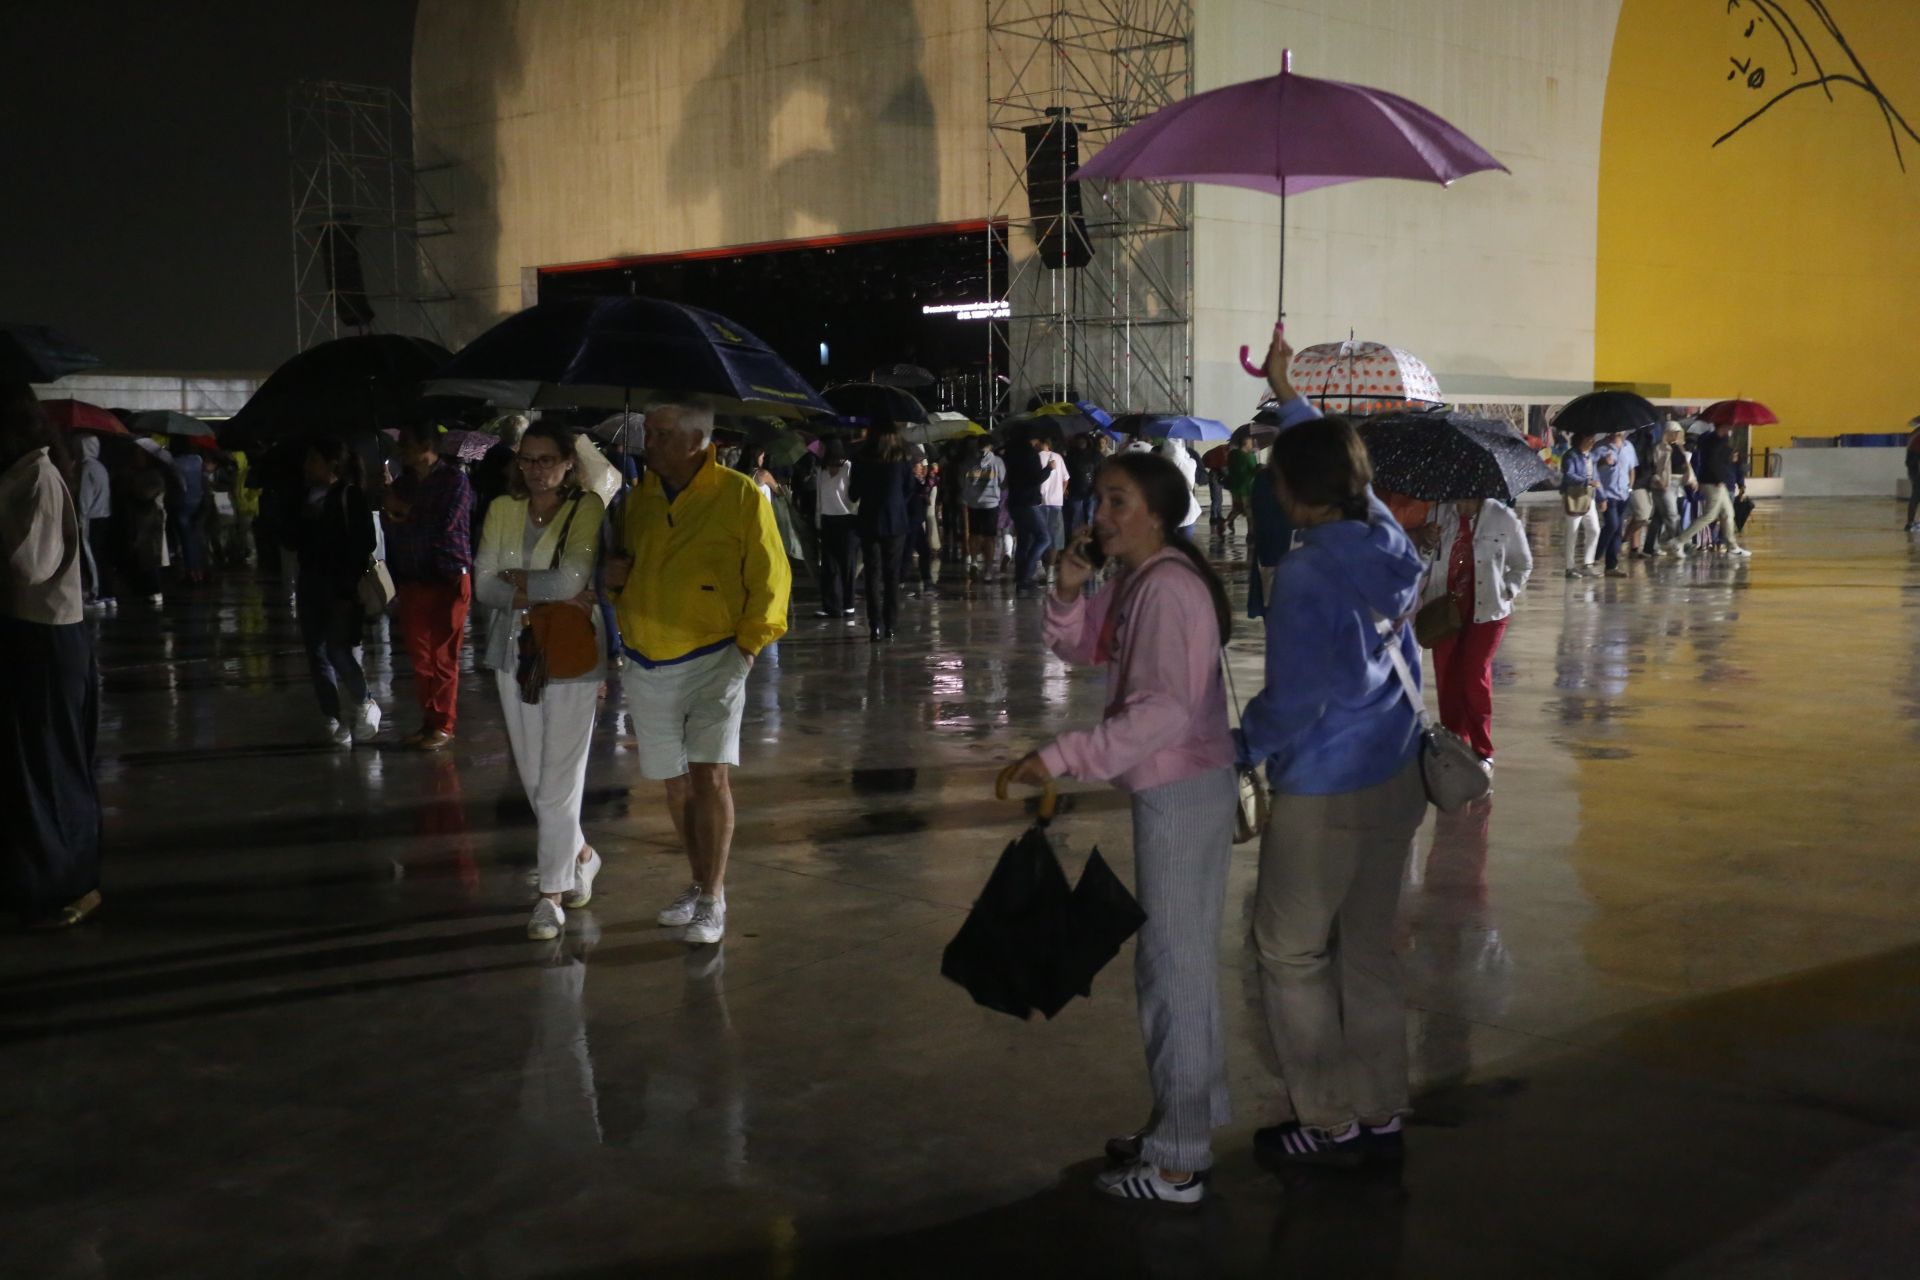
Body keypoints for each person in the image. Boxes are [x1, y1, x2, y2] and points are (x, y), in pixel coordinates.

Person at [1005, 450, 1237, 1205]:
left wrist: (1063, 755)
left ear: (1161, 513)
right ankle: (1184, 1121)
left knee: (1175, 971)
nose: (1099, 516)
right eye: (1098, 500)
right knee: (1175, 965)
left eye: (1117, 502)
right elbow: (1084, 645)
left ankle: (1178, 1161)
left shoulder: (1168, 588)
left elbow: (1162, 710)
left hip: (1180, 787)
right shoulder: (1142, 579)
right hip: (1173, 784)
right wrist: (1070, 593)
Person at [1237, 411, 1430, 1168]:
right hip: (1397, 771)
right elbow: (1362, 487)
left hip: (1326, 787)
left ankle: (1326, 1118)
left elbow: (1297, 695)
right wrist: (1293, 402)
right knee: (1369, 951)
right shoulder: (1386, 540)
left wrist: (1242, 746)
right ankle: (1380, 1108)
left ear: (1290, 489)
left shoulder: (1309, 568)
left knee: (1289, 953)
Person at [606, 402, 791, 947]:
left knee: (711, 777)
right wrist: (613, 579)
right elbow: (624, 576)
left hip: (716, 657)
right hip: (646, 659)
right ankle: (696, 881)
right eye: (649, 433)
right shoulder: (635, 500)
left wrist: (749, 648)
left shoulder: (738, 495)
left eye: (661, 435)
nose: (650, 443)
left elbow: (770, 577)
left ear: (694, 441)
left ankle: (713, 896)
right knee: (676, 785)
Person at [473, 422, 605, 940]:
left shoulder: (586, 507)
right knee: (534, 782)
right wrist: (543, 592)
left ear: (568, 461)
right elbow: (483, 584)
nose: (536, 470)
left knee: (558, 785)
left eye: (547, 460)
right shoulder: (502, 509)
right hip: (514, 653)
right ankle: (583, 855)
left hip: (571, 655)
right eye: (527, 460)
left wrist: (522, 584)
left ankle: (550, 896)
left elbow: (574, 577)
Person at [0, 385, 103, 930]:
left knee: (53, 765)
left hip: (47, 636)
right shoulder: (20, 475)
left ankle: (74, 880)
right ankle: (39, 876)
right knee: (31, 767)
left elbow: (30, 565)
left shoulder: (36, 476)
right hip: (27, 635)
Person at [1420, 498, 1533, 767]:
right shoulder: (1438, 514)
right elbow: (1425, 561)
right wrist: (1426, 542)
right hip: (1445, 612)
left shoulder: (1501, 516)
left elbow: (1523, 564)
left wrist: (1508, 590)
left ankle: (1484, 750)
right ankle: (1455, 741)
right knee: (1447, 676)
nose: (1463, 500)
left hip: (1489, 612)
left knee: (1474, 677)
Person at [384, 422, 475, 750]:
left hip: (448, 576)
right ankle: (429, 719)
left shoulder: (455, 480)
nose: (402, 450)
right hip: (413, 578)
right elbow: (395, 526)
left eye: (407, 442)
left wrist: (405, 512)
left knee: (444, 655)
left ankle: (444, 723)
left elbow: (445, 522)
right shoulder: (405, 483)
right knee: (420, 656)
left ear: (427, 446)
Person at [295, 435, 381, 747]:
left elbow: (365, 541)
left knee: (337, 649)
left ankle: (363, 701)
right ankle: (332, 716)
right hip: (311, 584)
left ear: (332, 464)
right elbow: (293, 541)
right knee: (317, 653)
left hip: (341, 585)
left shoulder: (348, 495)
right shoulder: (304, 497)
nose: (308, 466)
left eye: (314, 459)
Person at [850, 423, 917, 640]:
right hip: (895, 521)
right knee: (891, 574)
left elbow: (853, 493)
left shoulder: (862, 457)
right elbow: (909, 489)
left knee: (872, 574)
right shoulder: (903, 458)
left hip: (869, 519)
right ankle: (890, 624)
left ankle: (874, 626)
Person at [1668, 422, 1750, 556]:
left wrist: (1731, 458)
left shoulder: (1722, 440)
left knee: (1728, 514)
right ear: (1721, 426)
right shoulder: (1711, 441)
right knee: (1710, 515)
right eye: (1728, 425)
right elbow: (1711, 462)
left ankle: (1732, 546)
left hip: (1720, 482)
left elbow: (1722, 460)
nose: (1730, 428)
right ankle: (1679, 541)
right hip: (1712, 482)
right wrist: (1718, 478)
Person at [812, 434, 859, 621]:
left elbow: (855, 495)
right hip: (828, 520)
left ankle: (848, 604)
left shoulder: (848, 468)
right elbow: (819, 499)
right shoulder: (821, 471)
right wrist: (818, 520)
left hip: (847, 521)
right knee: (829, 566)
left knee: (847, 565)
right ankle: (831, 606)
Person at [1003, 435, 1052, 591]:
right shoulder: (1029, 456)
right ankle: (1026, 576)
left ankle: (1021, 579)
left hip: (1015, 502)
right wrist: (1049, 469)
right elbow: (1035, 478)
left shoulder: (1012, 455)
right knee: (1044, 537)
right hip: (1028, 502)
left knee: (1024, 541)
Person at [75, 433, 114, 607]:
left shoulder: (86, 468)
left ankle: (95, 593)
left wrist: (80, 519)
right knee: (102, 557)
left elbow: (84, 498)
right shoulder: (100, 467)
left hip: (91, 518)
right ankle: (108, 594)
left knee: (90, 556)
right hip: (104, 516)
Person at [1644, 423, 1695, 554]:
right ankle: (1680, 542)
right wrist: (1657, 479)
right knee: (1672, 515)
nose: (1678, 435)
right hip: (1665, 484)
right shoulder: (1659, 448)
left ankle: (1650, 546)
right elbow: (1653, 467)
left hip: (1678, 484)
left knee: (1659, 516)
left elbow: (1686, 465)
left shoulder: (1678, 447)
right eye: (1676, 432)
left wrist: (1692, 479)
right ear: (1669, 432)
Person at [1592, 429, 1636, 577]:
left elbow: (1632, 469)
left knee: (1618, 530)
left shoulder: (1629, 447)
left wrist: (1630, 487)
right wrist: (1603, 462)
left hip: (1623, 494)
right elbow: (1592, 467)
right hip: (1607, 493)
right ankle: (1595, 557)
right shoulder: (1600, 447)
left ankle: (1611, 566)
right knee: (1612, 524)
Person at [961, 439, 1005, 581]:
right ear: (990, 446)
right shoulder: (997, 461)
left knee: (974, 534)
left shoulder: (969, 461)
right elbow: (1003, 481)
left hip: (973, 503)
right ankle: (988, 567)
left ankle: (974, 561)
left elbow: (963, 480)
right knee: (990, 537)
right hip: (991, 503)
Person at [1561, 432, 1600, 579]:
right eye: (1589, 438)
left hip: (1589, 497)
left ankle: (1588, 563)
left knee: (1594, 529)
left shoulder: (1591, 456)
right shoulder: (1571, 456)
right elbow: (1568, 475)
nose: (1592, 441)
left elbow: (1595, 476)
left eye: (1592, 439)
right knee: (1572, 532)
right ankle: (1569, 567)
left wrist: (1601, 497)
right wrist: (1586, 481)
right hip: (1574, 497)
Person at [1157, 437, 1203, 539]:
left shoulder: (1159, 465)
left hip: (1166, 510)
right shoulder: (1190, 463)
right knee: (1185, 546)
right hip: (1187, 509)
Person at [1037, 436, 1067, 580]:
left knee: (1039, 535)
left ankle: (1038, 565)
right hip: (1056, 502)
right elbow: (1066, 479)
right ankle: (1050, 570)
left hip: (1038, 502)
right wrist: (1060, 492)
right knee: (1055, 537)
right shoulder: (1058, 457)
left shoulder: (1035, 457)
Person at [1063, 432, 1099, 539]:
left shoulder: (1095, 455)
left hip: (1092, 490)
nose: (1081, 443)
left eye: (1083, 440)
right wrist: (1066, 487)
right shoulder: (1071, 455)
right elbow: (1066, 473)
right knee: (1076, 517)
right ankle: (1076, 539)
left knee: (1090, 516)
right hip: (1075, 490)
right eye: (1078, 441)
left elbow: (1101, 471)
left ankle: (1089, 539)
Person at [1226, 434, 1262, 536]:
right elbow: (1255, 470)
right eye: (1251, 443)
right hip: (1246, 488)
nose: (1252, 446)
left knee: (1237, 508)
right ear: (1246, 444)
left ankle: (1225, 523)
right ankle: (1250, 533)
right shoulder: (1249, 456)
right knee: (1249, 512)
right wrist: (1258, 462)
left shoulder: (1232, 454)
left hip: (1234, 487)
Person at [1905, 423, 1920, 532]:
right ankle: (1910, 524)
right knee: (1917, 492)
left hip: (1913, 462)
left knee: (1916, 493)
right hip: (1915, 462)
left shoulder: (1916, 432)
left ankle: (1910, 523)